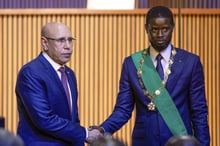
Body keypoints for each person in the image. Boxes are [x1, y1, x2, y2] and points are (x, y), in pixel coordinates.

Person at [90, 6, 210, 146]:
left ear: (172, 28)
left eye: (165, 29)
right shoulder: (132, 63)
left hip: (179, 141)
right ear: (146, 28)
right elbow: (123, 109)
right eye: (154, 29)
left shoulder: (190, 62)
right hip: (144, 141)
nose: (160, 35)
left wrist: (203, 144)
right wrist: (102, 129)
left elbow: (199, 112)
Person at [15, 22, 103, 146]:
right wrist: (85, 133)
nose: (68, 46)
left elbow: (73, 119)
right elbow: (44, 120)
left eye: (70, 40)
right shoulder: (30, 72)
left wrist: (82, 135)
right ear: (45, 43)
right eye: (61, 40)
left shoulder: (69, 74)